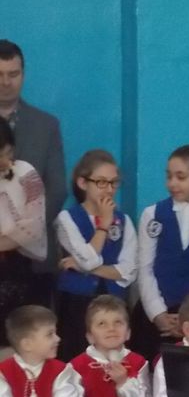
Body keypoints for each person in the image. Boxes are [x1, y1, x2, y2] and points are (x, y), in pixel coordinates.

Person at [132, 145, 189, 361]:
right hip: (156, 318)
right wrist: (157, 314)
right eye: (169, 176)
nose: (172, 183)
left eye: (181, 177)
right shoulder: (152, 214)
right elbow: (145, 269)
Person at [0, 40, 67, 307]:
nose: (6, 82)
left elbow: (57, 189)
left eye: (13, 74)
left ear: (23, 75)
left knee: (35, 329)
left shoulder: (46, 125)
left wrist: (20, 235)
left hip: (34, 258)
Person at [55, 149, 138, 362]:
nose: (109, 189)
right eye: (101, 182)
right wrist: (103, 225)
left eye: (114, 183)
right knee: (76, 361)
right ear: (83, 183)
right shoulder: (67, 218)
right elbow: (89, 258)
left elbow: (128, 271)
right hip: (76, 303)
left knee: (115, 361)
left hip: (114, 304)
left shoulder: (125, 221)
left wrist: (86, 268)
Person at [0, 116, 47, 354]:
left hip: (18, 267)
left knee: (19, 344)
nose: (5, 161)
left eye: (8, 152)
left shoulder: (26, 173)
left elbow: (34, 227)